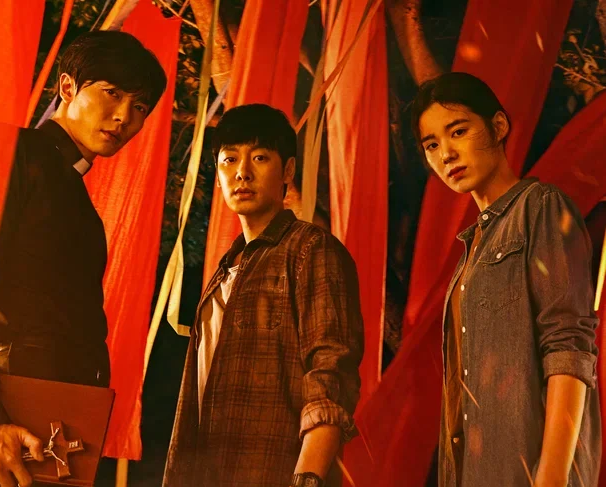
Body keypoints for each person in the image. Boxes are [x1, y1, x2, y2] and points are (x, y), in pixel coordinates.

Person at [0, 30, 166, 487]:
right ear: (67, 87)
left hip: (59, 426)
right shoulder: (13, 151)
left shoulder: (76, 196)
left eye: (140, 106)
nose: (124, 116)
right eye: (112, 93)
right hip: (4, 420)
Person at [411, 72, 601, 486]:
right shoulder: (471, 249)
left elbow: (568, 348)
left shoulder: (540, 208)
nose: (446, 154)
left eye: (458, 131)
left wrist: (551, 476)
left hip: (531, 472)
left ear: (498, 126)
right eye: (431, 145)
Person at [163, 104, 364, 487]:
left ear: (287, 170)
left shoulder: (310, 248)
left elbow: (331, 371)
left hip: (275, 470)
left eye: (259, 157)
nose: (242, 172)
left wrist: (308, 478)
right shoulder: (224, 271)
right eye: (229, 159)